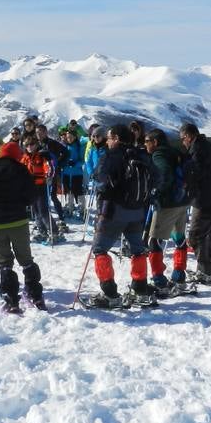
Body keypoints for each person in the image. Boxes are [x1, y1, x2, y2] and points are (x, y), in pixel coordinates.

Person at [0, 142, 45, 313]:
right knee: (26, 260)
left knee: (4, 263)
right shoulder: (20, 169)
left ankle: (12, 300)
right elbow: (32, 196)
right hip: (18, 221)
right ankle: (36, 296)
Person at [87, 124, 154, 306]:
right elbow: (156, 178)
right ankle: (140, 289)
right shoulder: (141, 155)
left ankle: (110, 294)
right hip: (138, 211)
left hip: (114, 211)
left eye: (109, 138)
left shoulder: (110, 156)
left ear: (116, 138)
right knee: (138, 250)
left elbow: (100, 178)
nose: (107, 141)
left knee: (100, 250)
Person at [179, 122, 211, 284]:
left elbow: (195, 174)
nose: (182, 142)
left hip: (203, 199)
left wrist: (185, 187)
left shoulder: (196, 151)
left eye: (183, 138)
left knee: (195, 235)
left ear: (190, 137)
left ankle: (205, 271)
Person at [144, 129, 190, 288]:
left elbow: (165, 174)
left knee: (154, 240)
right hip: (183, 201)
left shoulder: (158, 155)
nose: (145, 144)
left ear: (155, 142)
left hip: (167, 203)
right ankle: (179, 273)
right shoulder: (176, 152)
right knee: (179, 238)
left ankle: (158, 279)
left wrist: (156, 192)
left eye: (147, 141)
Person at [19, 135, 56, 241]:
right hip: (30, 186)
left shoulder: (42, 155)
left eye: (32, 144)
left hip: (40, 186)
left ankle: (54, 231)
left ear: (36, 145)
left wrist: (48, 175)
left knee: (43, 210)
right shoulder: (25, 157)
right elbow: (20, 169)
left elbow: (48, 167)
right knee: (35, 210)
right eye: (27, 145)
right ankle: (42, 231)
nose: (29, 147)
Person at [58, 127, 87, 219]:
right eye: (67, 137)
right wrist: (63, 163)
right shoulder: (64, 146)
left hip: (76, 173)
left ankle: (82, 210)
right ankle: (70, 208)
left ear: (75, 137)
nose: (69, 138)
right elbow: (61, 158)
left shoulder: (79, 147)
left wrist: (75, 163)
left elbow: (83, 160)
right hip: (66, 172)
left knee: (78, 191)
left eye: (71, 137)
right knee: (68, 191)